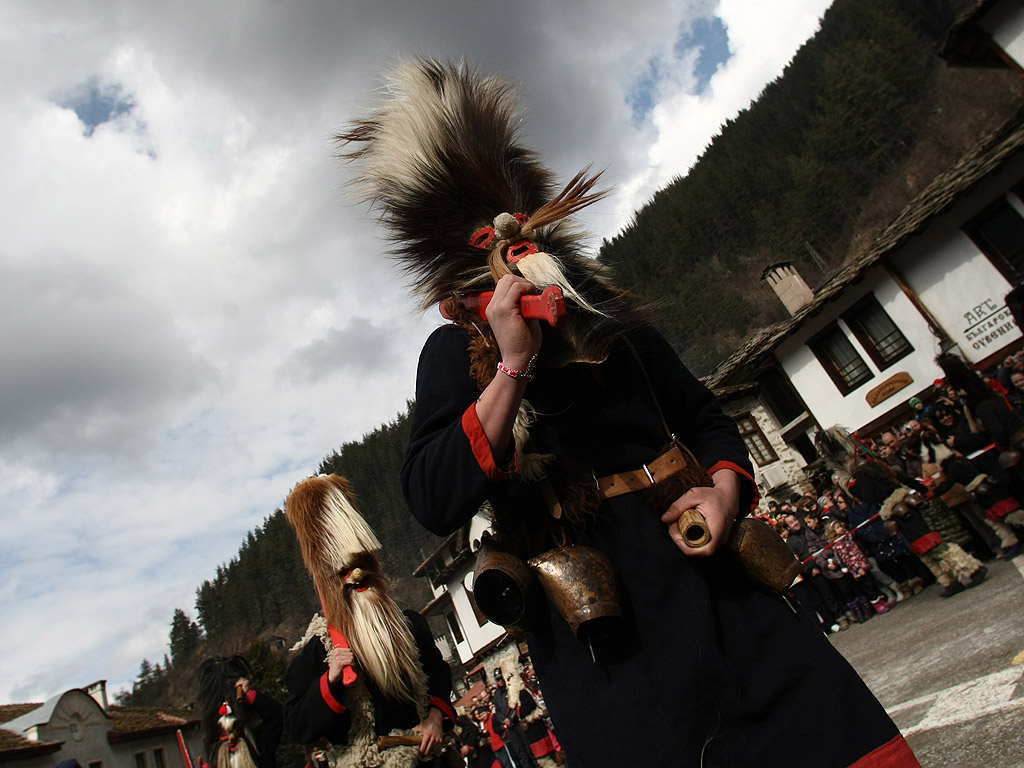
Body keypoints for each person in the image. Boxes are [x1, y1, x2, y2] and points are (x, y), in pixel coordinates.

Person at [337, 58, 919, 766]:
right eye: (494, 242)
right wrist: (513, 366)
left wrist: (724, 489)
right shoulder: (453, 351)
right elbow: (431, 493)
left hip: (714, 579)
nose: (516, 247)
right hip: (605, 638)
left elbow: (704, 418)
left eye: (522, 231)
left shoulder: (612, 318)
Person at [281, 475, 456, 768]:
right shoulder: (319, 651)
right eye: (347, 574)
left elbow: (438, 674)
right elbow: (297, 727)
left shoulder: (409, 626)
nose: (358, 577)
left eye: (363, 569)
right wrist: (331, 677)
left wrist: (436, 718)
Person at [197, 655, 283, 768]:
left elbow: (276, 715)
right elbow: (275, 715)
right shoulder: (259, 744)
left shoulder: (256, 742)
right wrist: (250, 696)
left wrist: (249, 696)